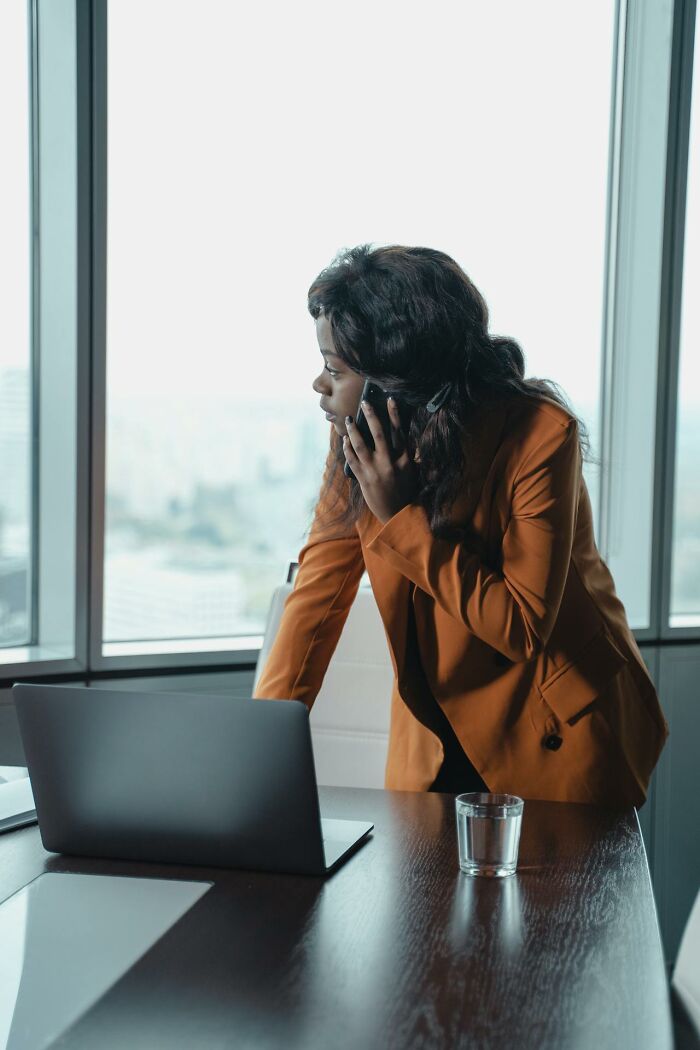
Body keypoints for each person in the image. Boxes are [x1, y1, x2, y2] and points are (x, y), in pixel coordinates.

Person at [253, 244, 668, 807]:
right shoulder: (358, 435)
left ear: (395, 379)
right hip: (433, 731)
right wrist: (258, 749)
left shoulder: (540, 433)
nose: (319, 386)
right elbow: (317, 598)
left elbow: (521, 626)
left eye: (334, 369)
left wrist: (402, 518)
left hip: (553, 733)